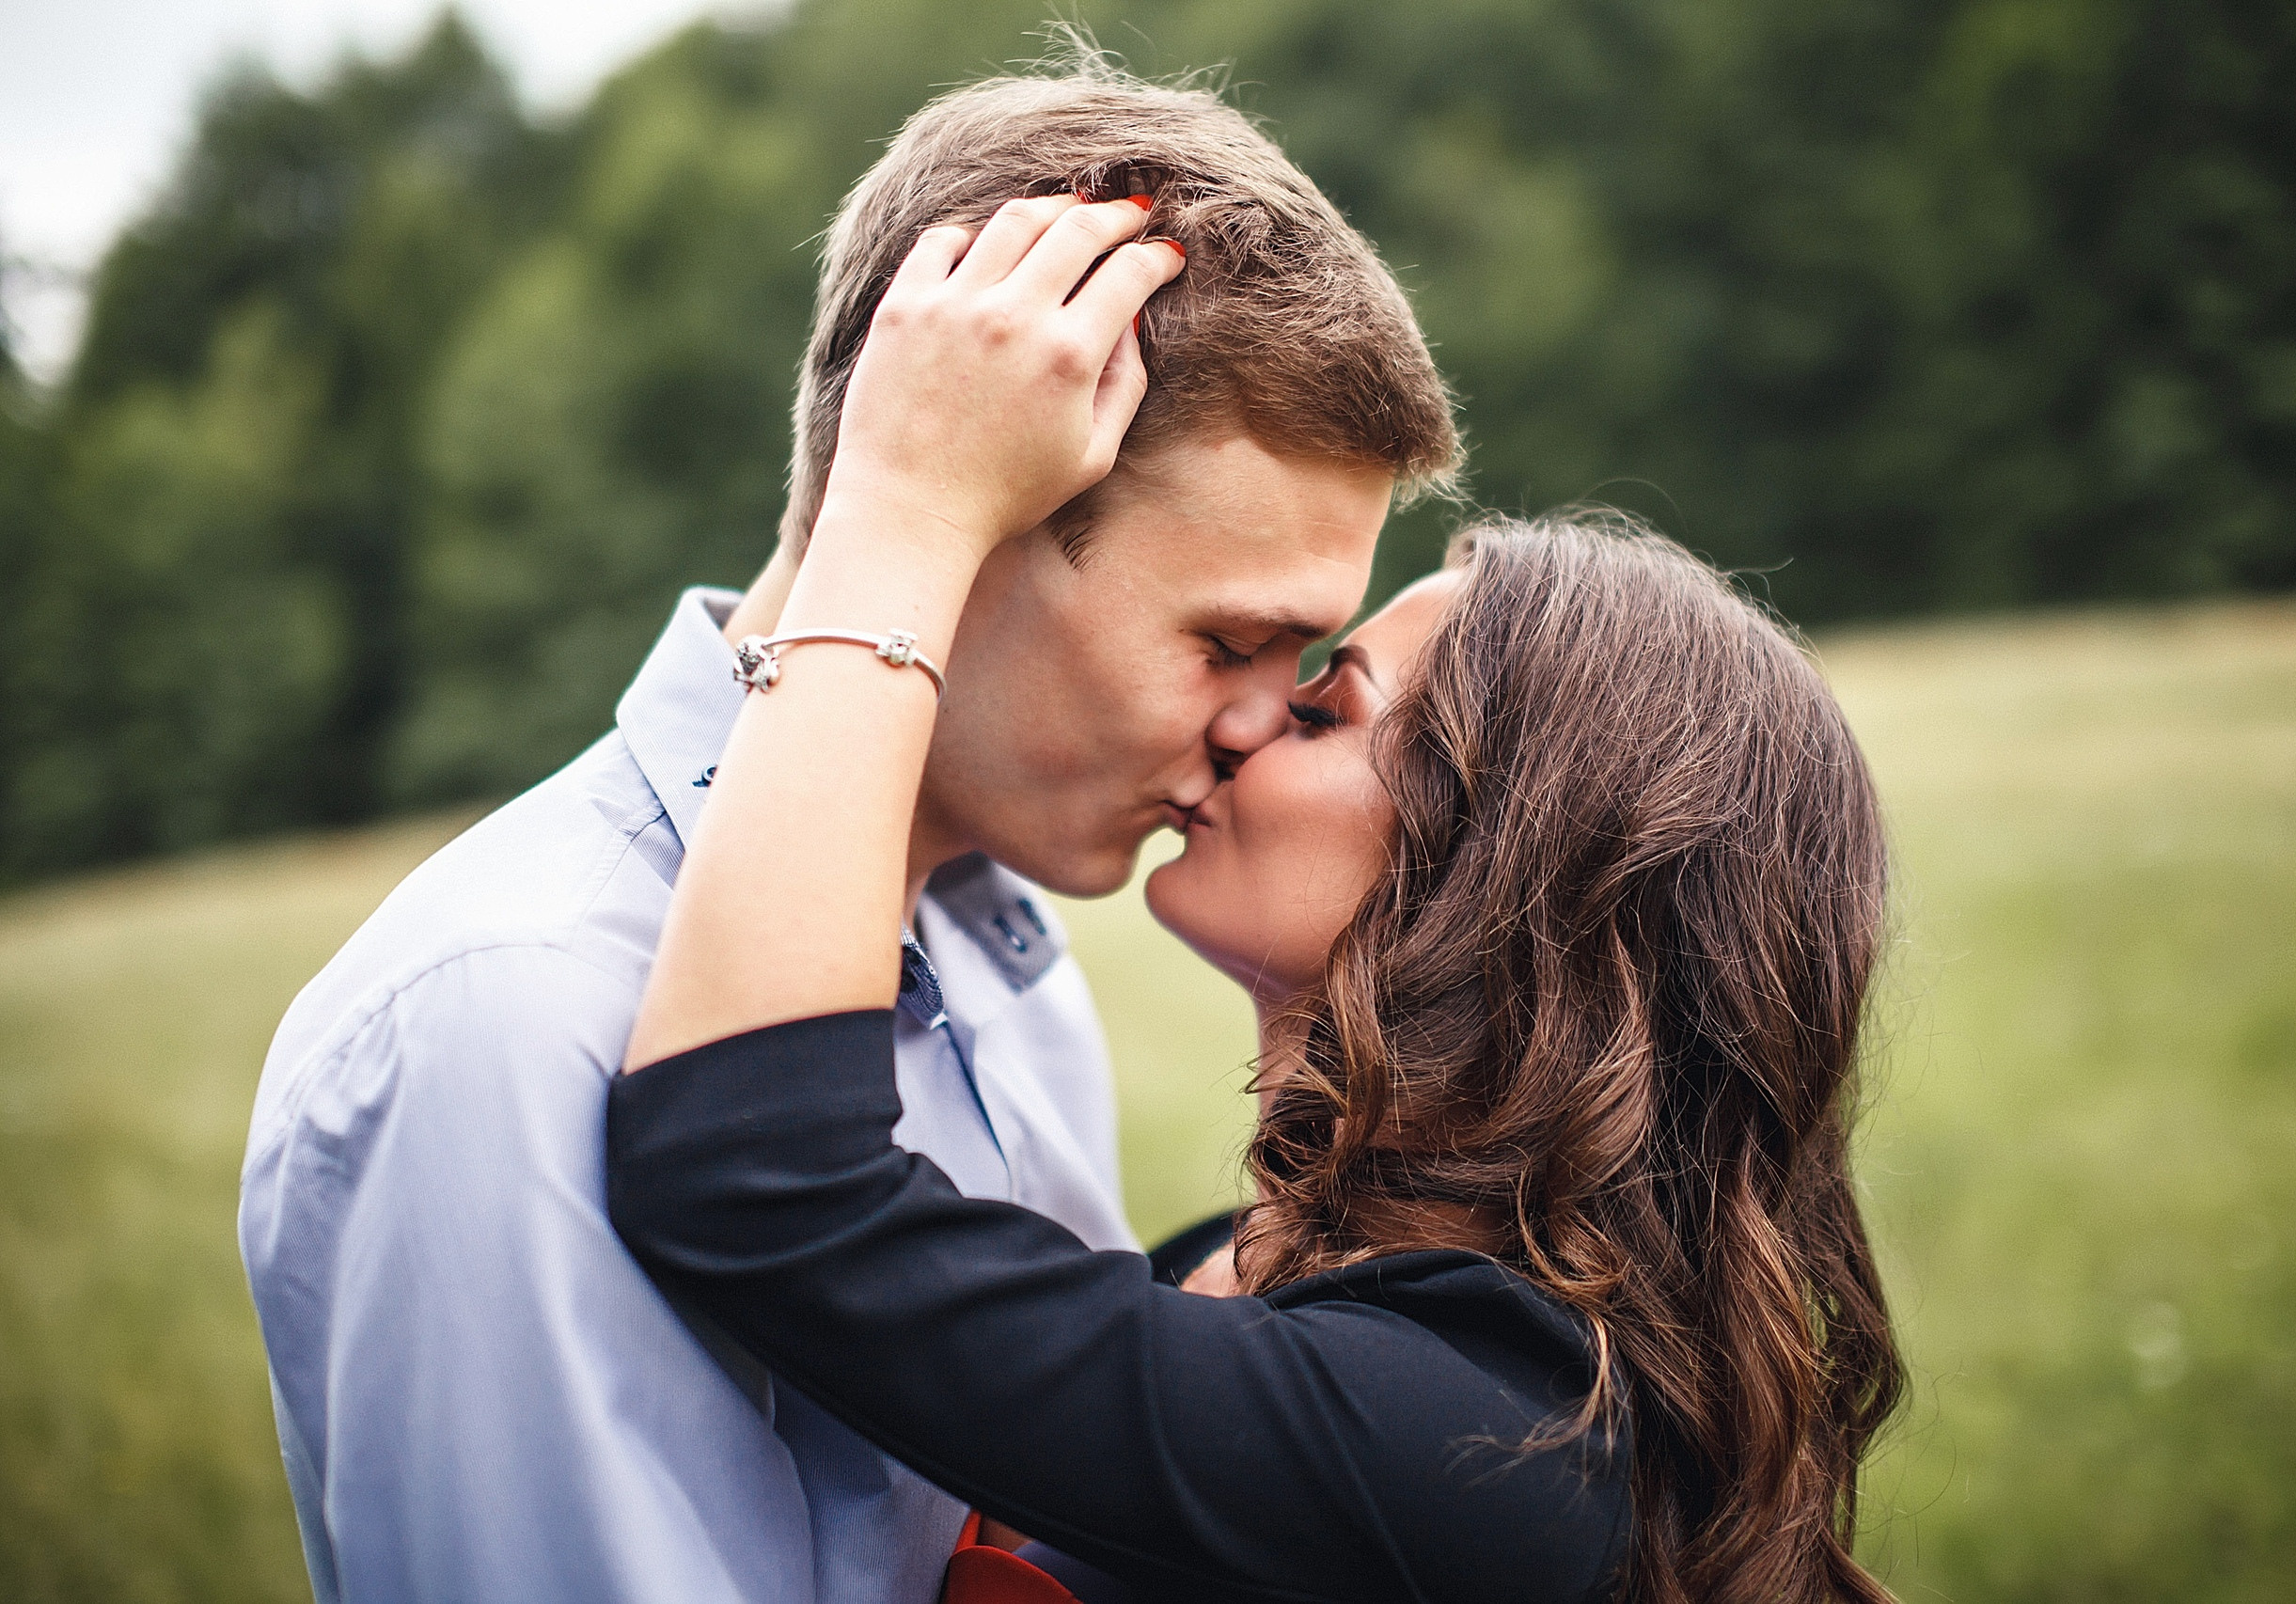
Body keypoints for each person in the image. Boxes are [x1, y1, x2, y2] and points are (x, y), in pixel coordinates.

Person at [237, 57, 1456, 1604]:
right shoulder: (509, 1017)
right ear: (970, 509)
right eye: (1226, 641)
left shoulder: (1000, 954)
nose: (1254, 724)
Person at [605, 197, 1905, 1599]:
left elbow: (761, 1182)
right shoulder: (1255, 1285)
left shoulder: (1476, 1443)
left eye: (1324, 699)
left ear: (1496, 872)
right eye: (1237, 652)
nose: (1242, 724)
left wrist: (909, 507)